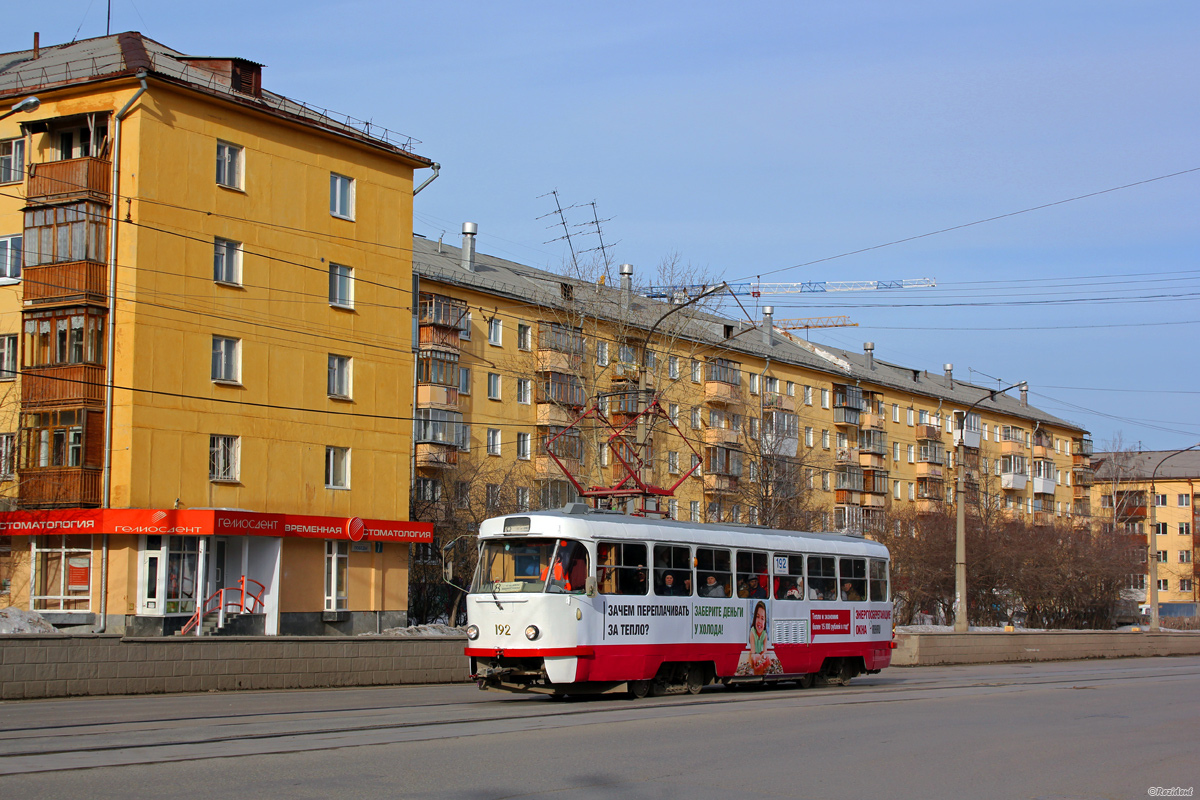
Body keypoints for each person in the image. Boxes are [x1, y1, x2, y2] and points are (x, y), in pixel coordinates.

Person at [748, 601, 770, 674]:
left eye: (762, 618)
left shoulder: (765, 635)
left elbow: (765, 651)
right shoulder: (752, 632)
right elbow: (753, 653)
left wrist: (764, 656)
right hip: (752, 660)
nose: (760, 621)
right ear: (754, 618)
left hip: (760, 661)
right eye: (757, 617)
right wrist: (756, 657)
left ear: (765, 621)